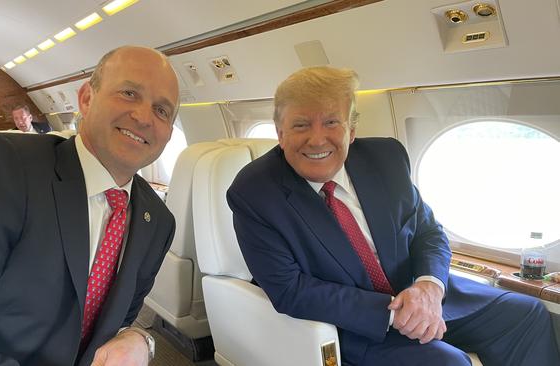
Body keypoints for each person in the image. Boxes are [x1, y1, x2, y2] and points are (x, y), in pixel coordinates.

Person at [227, 66, 560, 366]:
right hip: (352, 322)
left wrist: (429, 287)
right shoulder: (255, 192)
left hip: (421, 294)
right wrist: (395, 313)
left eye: (331, 122)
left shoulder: (385, 157)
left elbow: (428, 233)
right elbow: (291, 290)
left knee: (525, 315)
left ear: (351, 130)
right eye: (301, 125)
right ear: (280, 132)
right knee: (447, 363)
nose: (317, 138)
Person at [0, 46, 180, 366]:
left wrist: (141, 338)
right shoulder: (0, 166)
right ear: (86, 98)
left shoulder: (158, 222)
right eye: (129, 93)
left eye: (162, 110)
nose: (144, 117)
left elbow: (122, 321)